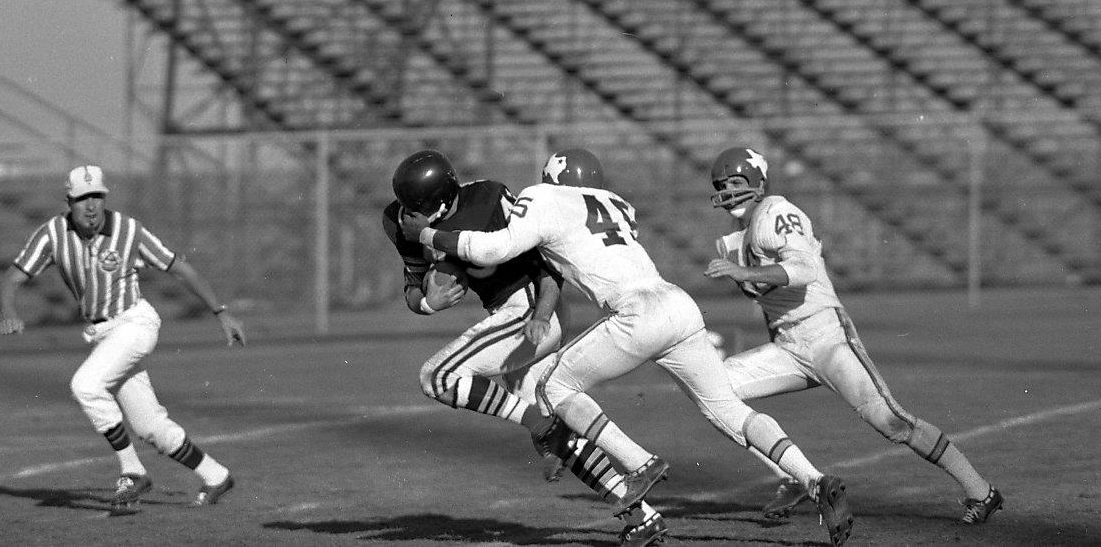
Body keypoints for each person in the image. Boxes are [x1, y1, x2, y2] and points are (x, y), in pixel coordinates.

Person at [399, 147, 857, 547]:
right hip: (679, 305)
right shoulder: (617, 204)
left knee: (554, 388)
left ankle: (640, 462)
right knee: (727, 409)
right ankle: (815, 480)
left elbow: (493, 249)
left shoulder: (545, 197)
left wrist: (427, 235)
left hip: (637, 313)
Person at [379, 149, 668, 547]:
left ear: (443, 201)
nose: (407, 214)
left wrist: (542, 315)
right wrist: (429, 303)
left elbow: (547, 263)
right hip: (505, 310)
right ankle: (641, 516)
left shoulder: (489, 198)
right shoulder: (398, 221)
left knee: (439, 376)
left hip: (532, 307)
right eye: (405, 205)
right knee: (558, 418)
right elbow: (414, 288)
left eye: (418, 207)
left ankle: (540, 423)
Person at [703, 145, 1003, 527]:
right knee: (715, 390)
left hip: (825, 335)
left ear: (758, 184)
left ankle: (981, 491)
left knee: (891, 423)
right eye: (721, 185)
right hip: (788, 346)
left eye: (735, 182)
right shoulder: (730, 243)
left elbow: (804, 268)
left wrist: (744, 274)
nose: (728, 191)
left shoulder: (775, 212)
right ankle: (795, 477)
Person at [0, 164, 244, 516]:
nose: (91, 205)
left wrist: (220, 312)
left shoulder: (128, 230)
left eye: (97, 195)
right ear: (69, 201)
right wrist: (8, 313)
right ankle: (216, 475)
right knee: (149, 426)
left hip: (135, 323)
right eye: (82, 198)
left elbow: (178, 268)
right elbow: (10, 280)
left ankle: (133, 471)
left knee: (85, 386)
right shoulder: (52, 234)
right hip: (104, 334)